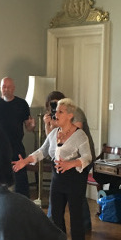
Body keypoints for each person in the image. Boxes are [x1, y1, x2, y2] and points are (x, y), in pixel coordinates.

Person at [13, 98, 92, 240]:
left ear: (70, 115)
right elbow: (42, 151)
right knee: (56, 216)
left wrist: (71, 164)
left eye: (60, 112)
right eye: (56, 111)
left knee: (76, 217)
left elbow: (87, 157)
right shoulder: (54, 133)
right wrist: (25, 161)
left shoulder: (79, 135)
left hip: (74, 178)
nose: (56, 114)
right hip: (58, 177)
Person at [43, 91, 97, 231]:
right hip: (62, 161)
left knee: (77, 196)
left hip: (79, 159)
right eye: (53, 107)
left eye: (57, 106)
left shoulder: (76, 112)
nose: (55, 110)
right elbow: (50, 140)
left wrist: (56, 124)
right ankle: (56, 228)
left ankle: (83, 225)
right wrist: (48, 124)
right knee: (59, 200)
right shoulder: (56, 121)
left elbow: (75, 131)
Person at [0, 77, 36, 197]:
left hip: (16, 147)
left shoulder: (22, 104)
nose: (6, 89)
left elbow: (28, 128)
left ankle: (23, 204)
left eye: (8, 87)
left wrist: (32, 126)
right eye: (4, 87)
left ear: (13, 89)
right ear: (0, 88)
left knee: (20, 180)